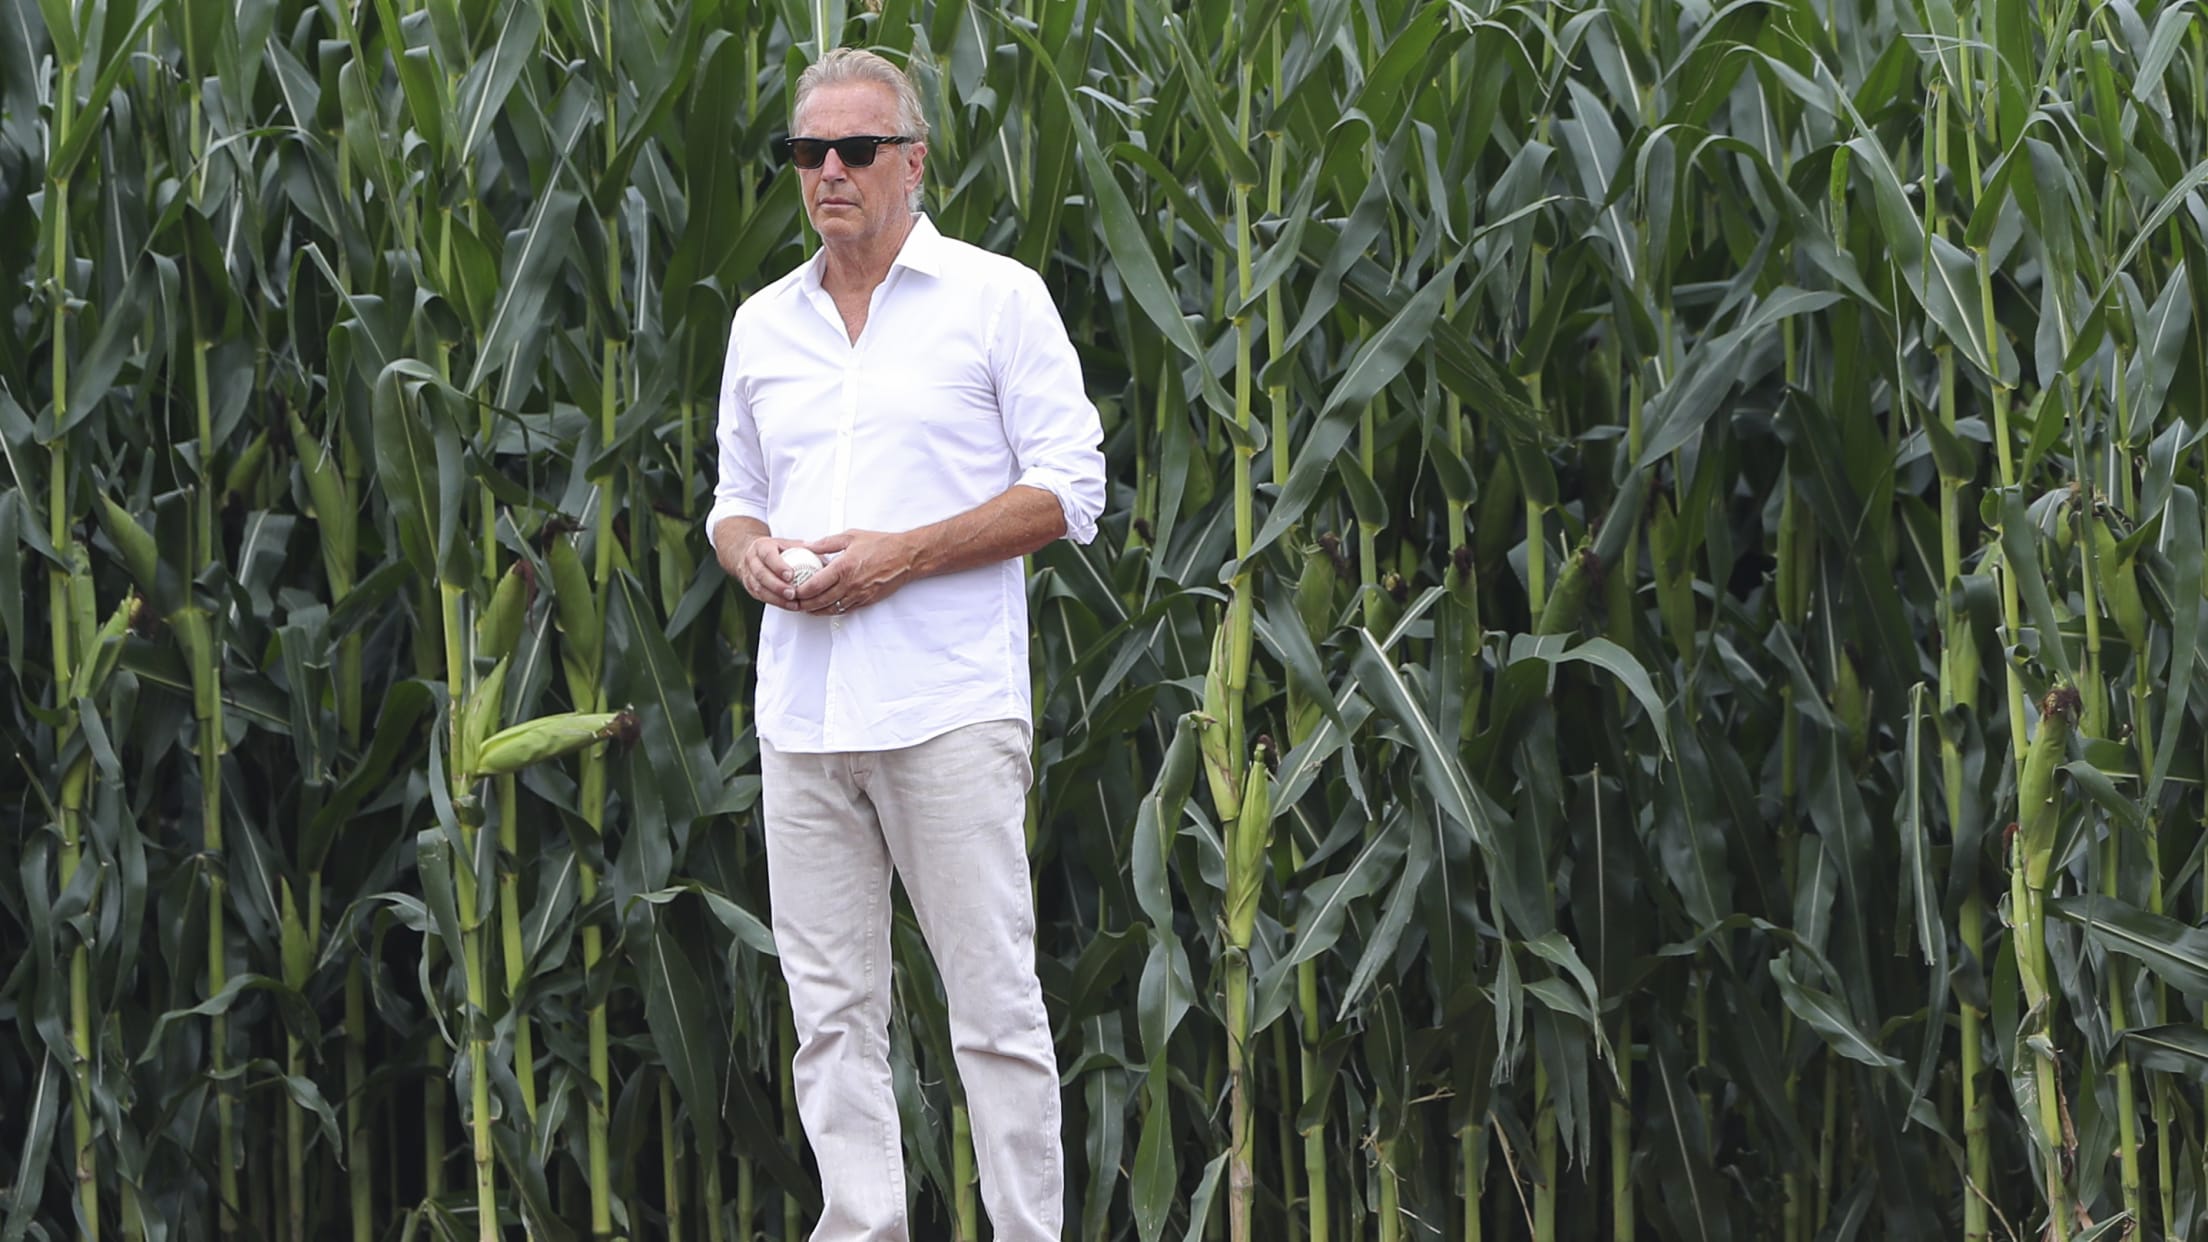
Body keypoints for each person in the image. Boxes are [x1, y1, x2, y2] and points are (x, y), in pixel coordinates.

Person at [705, 46, 1106, 1242]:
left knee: (992, 1008)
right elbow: (732, 496)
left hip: (947, 709)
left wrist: (904, 555)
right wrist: (749, 556)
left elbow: (1071, 490)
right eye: (807, 153)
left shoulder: (997, 299)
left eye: (856, 150)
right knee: (830, 1017)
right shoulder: (760, 325)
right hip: (804, 717)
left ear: (913, 162)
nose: (829, 172)